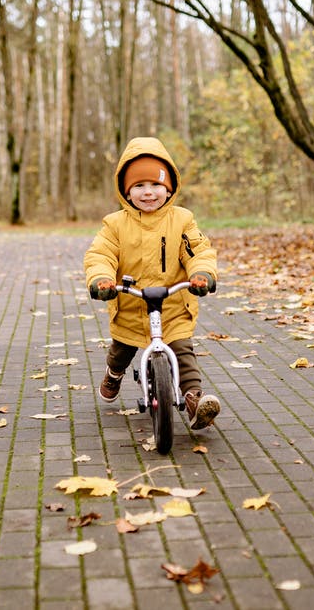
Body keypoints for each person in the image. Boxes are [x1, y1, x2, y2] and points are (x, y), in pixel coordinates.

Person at [84, 137, 221, 430]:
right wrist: (101, 278)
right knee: (121, 350)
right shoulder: (115, 224)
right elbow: (101, 254)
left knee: (183, 351)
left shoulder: (182, 220)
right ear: (126, 191)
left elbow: (197, 251)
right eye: (139, 186)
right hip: (131, 304)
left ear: (169, 188)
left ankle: (195, 402)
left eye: (156, 185)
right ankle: (114, 373)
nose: (148, 193)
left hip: (172, 305)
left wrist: (202, 274)